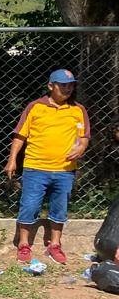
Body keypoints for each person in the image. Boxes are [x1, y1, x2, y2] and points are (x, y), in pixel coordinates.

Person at [5, 69, 89, 265]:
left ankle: (55, 245)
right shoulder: (35, 107)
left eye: (70, 85)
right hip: (35, 168)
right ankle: (24, 244)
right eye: (63, 85)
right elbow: (20, 135)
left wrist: (82, 148)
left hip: (65, 170)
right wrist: (12, 160)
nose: (67, 89)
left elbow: (84, 137)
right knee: (30, 206)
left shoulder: (78, 110)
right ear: (51, 86)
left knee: (60, 208)